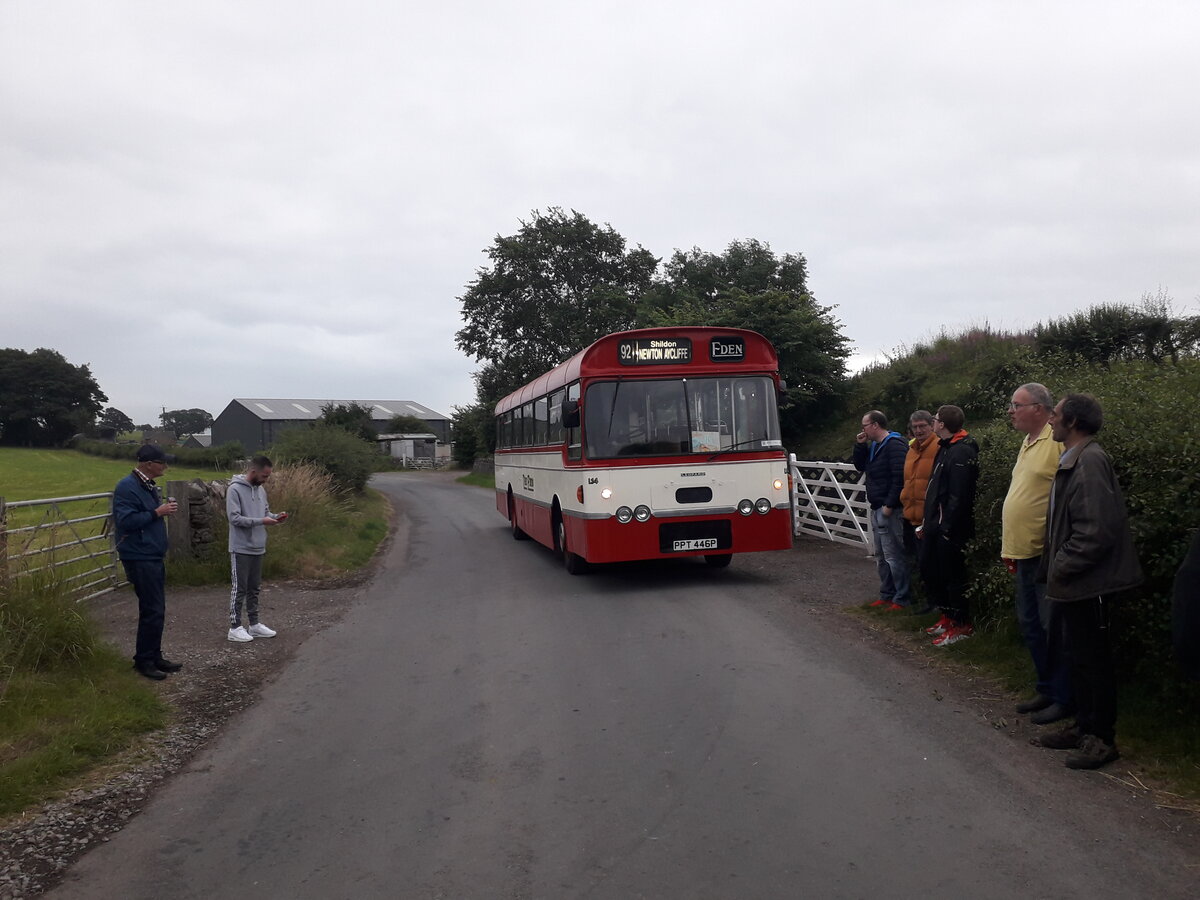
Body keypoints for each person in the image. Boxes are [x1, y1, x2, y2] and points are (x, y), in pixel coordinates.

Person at [1034, 393, 1142, 770]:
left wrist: (1059, 566)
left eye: (1057, 415)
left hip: (1090, 583)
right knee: (1077, 658)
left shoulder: (1090, 462)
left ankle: (1101, 740)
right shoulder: (1074, 458)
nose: (1051, 420)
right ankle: (1084, 728)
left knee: (1094, 663)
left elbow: (1095, 532)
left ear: (1074, 422)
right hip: (1075, 584)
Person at [1001, 384, 1072, 725]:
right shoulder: (1027, 442)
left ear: (1040, 409)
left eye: (1017, 405)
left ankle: (1064, 696)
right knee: (1030, 624)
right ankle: (1046, 687)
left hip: (1044, 553)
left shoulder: (1055, 442)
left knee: (1050, 626)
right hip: (1021, 550)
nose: (1011, 411)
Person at [113, 444, 183, 680]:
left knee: (156, 609)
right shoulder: (127, 487)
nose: (166, 466)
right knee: (151, 609)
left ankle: (154, 656)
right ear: (148, 464)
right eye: (162, 462)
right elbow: (125, 521)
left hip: (151, 554)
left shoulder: (146, 485)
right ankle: (144, 660)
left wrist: (159, 511)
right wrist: (157, 512)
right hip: (139, 556)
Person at [921, 405, 979, 646]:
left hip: (951, 528)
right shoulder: (946, 448)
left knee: (954, 576)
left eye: (934, 419)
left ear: (942, 424)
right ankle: (947, 617)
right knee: (936, 572)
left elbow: (959, 494)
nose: (933, 422)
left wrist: (947, 527)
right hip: (937, 523)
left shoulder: (961, 451)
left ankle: (961, 624)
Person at [852, 410, 911, 610]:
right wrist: (860, 446)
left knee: (893, 554)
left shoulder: (894, 445)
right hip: (877, 505)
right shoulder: (875, 445)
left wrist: (889, 504)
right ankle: (887, 593)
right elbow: (860, 466)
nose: (863, 429)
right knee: (882, 554)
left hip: (889, 508)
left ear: (875, 425)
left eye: (865, 425)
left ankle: (902, 597)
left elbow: (900, 476)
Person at [226, 456, 287, 642]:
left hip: (258, 547)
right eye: (264, 476)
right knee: (240, 588)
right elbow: (234, 519)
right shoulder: (234, 490)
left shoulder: (261, 491)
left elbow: (265, 513)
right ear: (253, 472)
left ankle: (254, 625)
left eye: (267, 476)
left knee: (254, 588)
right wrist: (262, 521)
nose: (266, 479)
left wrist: (276, 517)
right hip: (241, 547)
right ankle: (235, 627)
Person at [899, 410, 939, 610]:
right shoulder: (912, 449)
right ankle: (924, 600)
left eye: (923, 426)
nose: (919, 430)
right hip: (911, 515)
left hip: (928, 517)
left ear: (932, 425)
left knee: (931, 564)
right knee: (918, 562)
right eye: (915, 427)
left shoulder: (938, 447)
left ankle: (936, 604)